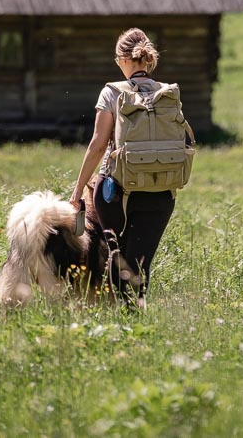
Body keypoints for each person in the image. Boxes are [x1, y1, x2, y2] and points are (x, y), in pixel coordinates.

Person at [70, 28, 178, 308]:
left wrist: (79, 190)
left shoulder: (112, 91)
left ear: (123, 59)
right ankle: (136, 314)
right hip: (161, 190)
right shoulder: (168, 93)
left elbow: (97, 145)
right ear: (148, 59)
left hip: (114, 192)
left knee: (116, 257)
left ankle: (120, 318)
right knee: (140, 261)